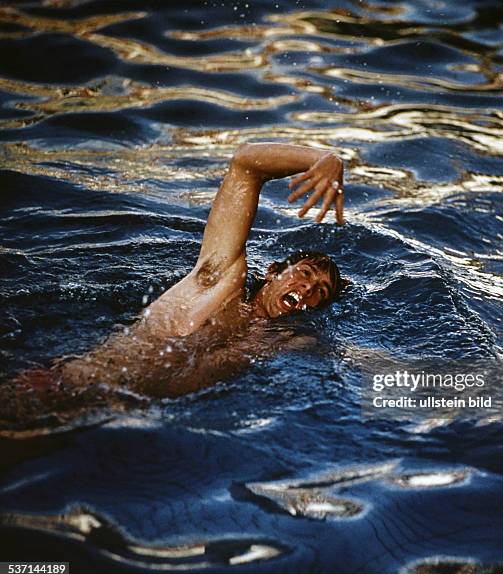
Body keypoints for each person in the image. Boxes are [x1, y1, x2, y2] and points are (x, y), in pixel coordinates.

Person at [1, 143, 346, 432]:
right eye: (305, 273)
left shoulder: (286, 341)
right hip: (60, 391)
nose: (308, 289)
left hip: (110, 423)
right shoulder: (218, 283)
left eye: (321, 291)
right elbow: (245, 165)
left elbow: (357, 360)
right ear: (273, 272)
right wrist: (324, 158)